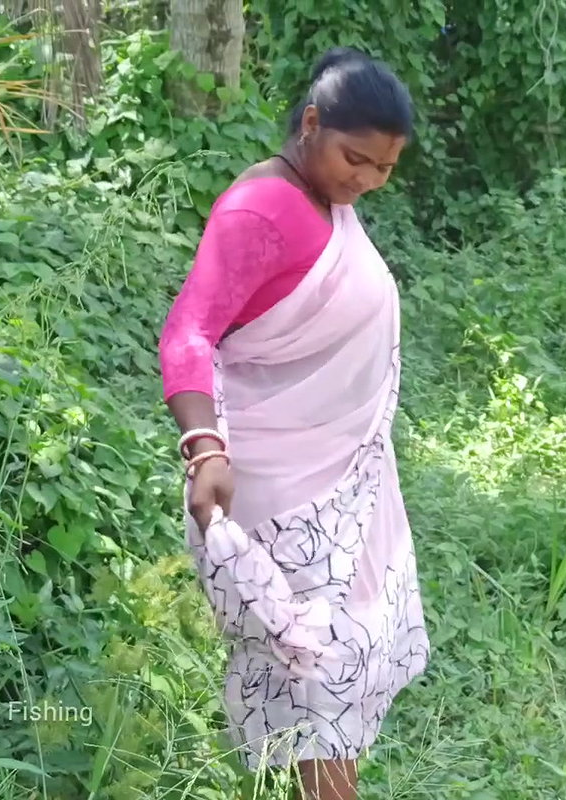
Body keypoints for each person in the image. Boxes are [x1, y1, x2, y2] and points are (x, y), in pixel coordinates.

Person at [157, 47, 430, 800]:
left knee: (334, 681)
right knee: (314, 678)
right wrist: (203, 445)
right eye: (356, 159)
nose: (368, 181)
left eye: (384, 168)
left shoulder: (323, 202)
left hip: (343, 481)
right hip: (283, 499)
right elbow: (188, 331)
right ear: (310, 123)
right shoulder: (262, 209)